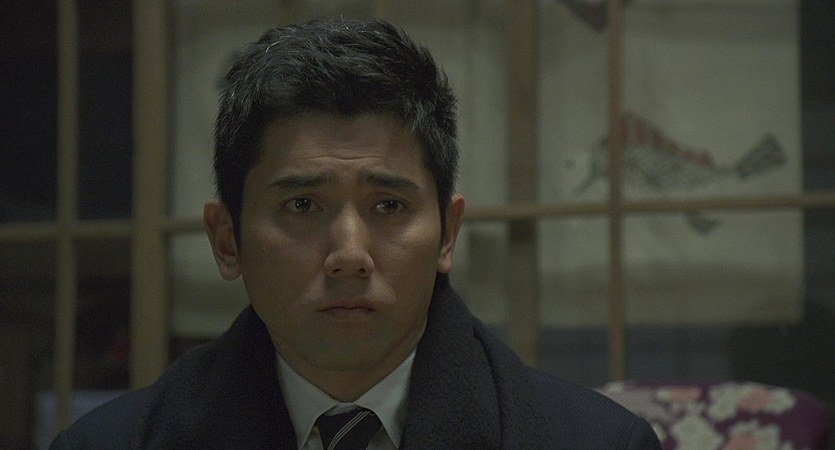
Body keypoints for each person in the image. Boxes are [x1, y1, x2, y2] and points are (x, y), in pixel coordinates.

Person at [51, 17, 661, 449]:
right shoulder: (107, 444)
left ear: (448, 235)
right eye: (301, 205)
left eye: (389, 205)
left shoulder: (598, 442)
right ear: (227, 238)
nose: (349, 254)